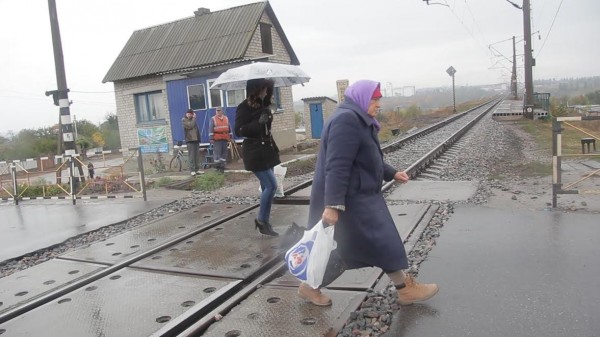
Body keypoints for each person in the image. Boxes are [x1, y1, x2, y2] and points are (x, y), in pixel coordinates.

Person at [298, 80, 439, 306]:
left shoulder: (358, 119)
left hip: (360, 195)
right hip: (350, 200)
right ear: (362, 98)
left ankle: (311, 286)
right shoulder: (346, 120)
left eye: (379, 99)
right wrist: (333, 205)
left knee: (358, 246)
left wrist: (391, 173)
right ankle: (405, 288)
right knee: (375, 242)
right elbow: (337, 165)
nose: (378, 104)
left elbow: (367, 158)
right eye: (374, 99)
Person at [234, 78, 280, 237]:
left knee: (267, 187)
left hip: (267, 150)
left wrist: (267, 116)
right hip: (254, 151)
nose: (267, 91)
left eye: (268, 88)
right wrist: (258, 122)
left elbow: (266, 129)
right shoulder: (244, 107)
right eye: (264, 88)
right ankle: (261, 220)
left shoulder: (264, 105)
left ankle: (265, 222)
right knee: (271, 186)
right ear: (256, 89)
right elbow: (239, 130)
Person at [208, 106, 232, 173]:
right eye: (217, 111)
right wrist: (211, 138)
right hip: (217, 138)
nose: (218, 112)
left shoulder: (226, 118)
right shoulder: (213, 119)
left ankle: (222, 166)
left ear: (222, 111)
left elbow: (229, 127)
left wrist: (230, 136)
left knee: (224, 153)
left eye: (219, 110)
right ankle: (217, 167)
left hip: (225, 138)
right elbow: (210, 129)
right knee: (217, 153)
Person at [182, 108, 202, 176]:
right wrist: (194, 118)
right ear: (186, 114)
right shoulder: (184, 120)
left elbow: (196, 130)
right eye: (188, 114)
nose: (189, 115)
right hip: (190, 141)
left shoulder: (193, 120)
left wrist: (199, 139)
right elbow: (190, 126)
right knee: (192, 156)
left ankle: (197, 169)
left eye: (190, 114)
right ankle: (192, 170)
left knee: (196, 156)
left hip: (196, 140)